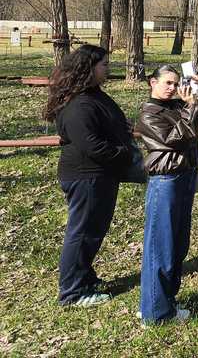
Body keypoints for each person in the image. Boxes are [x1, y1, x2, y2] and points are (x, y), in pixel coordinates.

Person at [46, 44, 134, 307]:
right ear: (89, 69)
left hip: (100, 175)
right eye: (104, 65)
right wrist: (123, 154)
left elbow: (103, 124)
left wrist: (122, 128)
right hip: (86, 176)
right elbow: (92, 145)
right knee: (82, 233)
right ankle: (72, 292)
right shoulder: (78, 104)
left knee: (93, 231)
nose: (108, 69)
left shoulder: (92, 94)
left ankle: (83, 276)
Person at [136, 65, 198, 324]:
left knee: (177, 245)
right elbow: (177, 138)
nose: (173, 88)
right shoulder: (149, 113)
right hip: (166, 182)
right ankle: (156, 313)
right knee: (161, 247)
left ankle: (165, 301)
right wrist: (191, 107)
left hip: (184, 177)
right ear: (153, 82)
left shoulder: (176, 107)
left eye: (176, 83)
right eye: (168, 83)